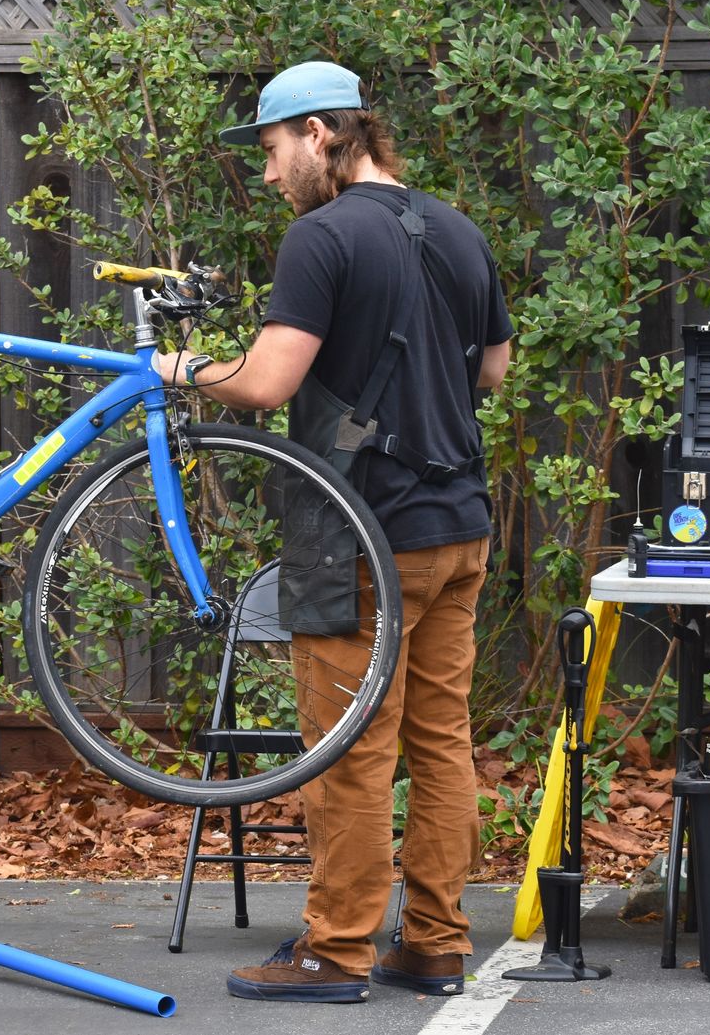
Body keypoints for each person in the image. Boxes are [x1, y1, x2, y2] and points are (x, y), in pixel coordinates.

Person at [151, 60, 513, 1003]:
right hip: (458, 528)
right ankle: (435, 943)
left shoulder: (321, 237)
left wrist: (181, 367)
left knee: (351, 750)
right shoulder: (461, 231)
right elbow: (496, 372)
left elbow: (268, 381)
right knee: (440, 742)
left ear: (321, 134)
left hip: (362, 539)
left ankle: (337, 949)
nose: (269, 176)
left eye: (272, 151)